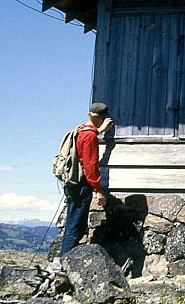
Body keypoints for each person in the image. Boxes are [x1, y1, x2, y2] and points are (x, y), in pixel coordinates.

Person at [59, 102, 113, 256]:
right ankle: (65, 262)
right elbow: (90, 165)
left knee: (73, 223)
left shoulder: (81, 130)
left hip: (72, 182)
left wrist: (100, 131)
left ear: (90, 114)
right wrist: (99, 190)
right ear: (102, 117)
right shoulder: (90, 136)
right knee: (75, 226)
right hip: (81, 185)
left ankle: (65, 260)